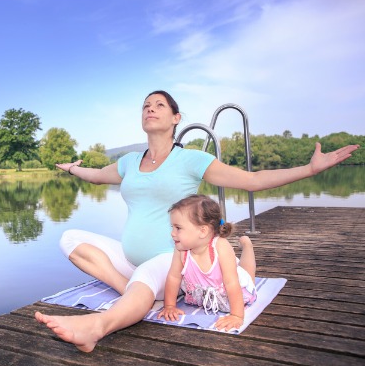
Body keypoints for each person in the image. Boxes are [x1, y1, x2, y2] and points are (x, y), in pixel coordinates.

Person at [34, 90, 359, 352]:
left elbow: (253, 179)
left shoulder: (190, 159)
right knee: (71, 240)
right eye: (146, 105)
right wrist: (73, 168)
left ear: (176, 118)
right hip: (132, 261)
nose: (150, 108)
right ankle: (134, 290)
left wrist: (310, 170)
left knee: (148, 273)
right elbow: (95, 177)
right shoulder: (130, 162)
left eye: (159, 105)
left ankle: (97, 327)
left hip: (174, 260)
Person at [157, 194, 256, 332]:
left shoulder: (220, 246)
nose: (172, 233)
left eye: (178, 228)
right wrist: (169, 306)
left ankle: (247, 245)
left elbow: (232, 283)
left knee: (247, 276)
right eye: (172, 227)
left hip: (231, 290)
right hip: (206, 293)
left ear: (202, 231)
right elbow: (174, 277)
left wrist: (236, 315)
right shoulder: (181, 250)